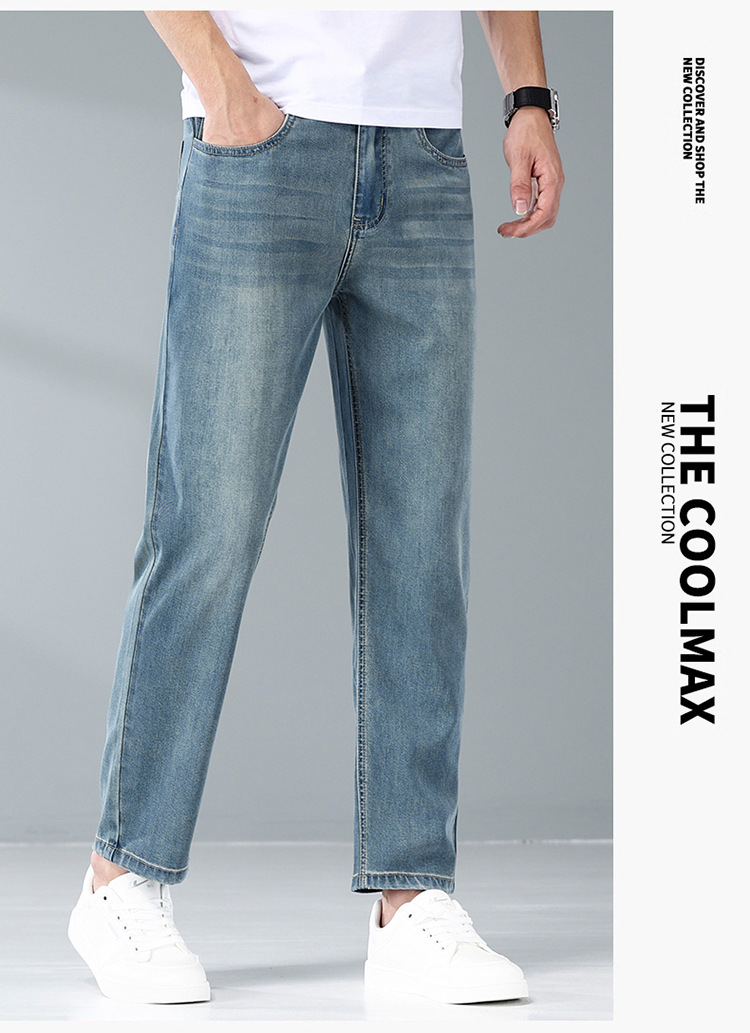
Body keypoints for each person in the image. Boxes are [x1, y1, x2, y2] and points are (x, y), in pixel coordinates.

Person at [67, 8, 564, 1006]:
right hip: (262, 134)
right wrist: (225, 90)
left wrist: (527, 97)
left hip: (424, 149)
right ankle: (120, 878)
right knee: (207, 528)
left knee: (423, 542)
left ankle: (411, 895)